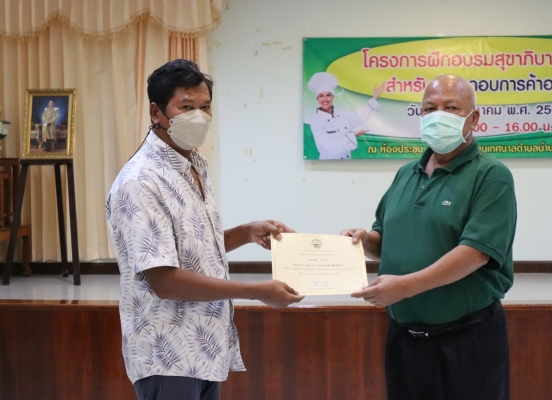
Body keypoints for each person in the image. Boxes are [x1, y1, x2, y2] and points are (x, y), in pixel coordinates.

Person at [105, 59, 304, 400]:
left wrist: (246, 232)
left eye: (205, 107)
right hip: (167, 354)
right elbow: (164, 280)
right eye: (186, 107)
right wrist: (255, 291)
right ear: (156, 112)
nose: (199, 116)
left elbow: (191, 245)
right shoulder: (141, 181)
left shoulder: (194, 163)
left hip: (205, 346)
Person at [342, 74, 517, 400]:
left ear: (474, 118)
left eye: (451, 108)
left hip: (467, 340)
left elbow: (475, 253)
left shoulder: (491, 175)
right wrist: (365, 240)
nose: (438, 116)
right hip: (404, 340)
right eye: (429, 108)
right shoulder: (406, 174)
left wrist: (405, 286)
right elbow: (384, 241)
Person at [307, 72, 384, 159]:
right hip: (328, 164)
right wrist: (354, 135)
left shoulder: (342, 115)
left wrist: (375, 97)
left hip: (346, 162)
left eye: (328, 95)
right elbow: (330, 147)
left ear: (333, 97)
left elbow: (359, 117)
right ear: (317, 98)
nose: (325, 99)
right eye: (321, 96)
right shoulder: (316, 121)